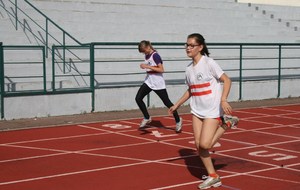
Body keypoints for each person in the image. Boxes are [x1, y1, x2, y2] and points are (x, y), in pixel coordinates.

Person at [169, 33, 239, 189]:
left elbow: (227, 80)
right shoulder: (188, 69)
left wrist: (223, 99)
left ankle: (226, 123)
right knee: (198, 146)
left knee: (205, 144)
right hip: (196, 110)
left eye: (191, 45)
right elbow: (191, 90)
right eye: (186, 45)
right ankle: (214, 176)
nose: (188, 48)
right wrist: (177, 104)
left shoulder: (209, 63)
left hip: (212, 109)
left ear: (200, 47)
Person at [135, 40, 183, 132]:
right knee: (138, 98)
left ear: (148, 47)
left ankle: (178, 120)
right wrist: (145, 67)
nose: (143, 53)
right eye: (142, 52)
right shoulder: (147, 55)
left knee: (167, 103)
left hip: (158, 83)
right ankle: (147, 117)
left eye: (144, 51)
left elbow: (161, 69)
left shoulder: (155, 56)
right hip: (149, 82)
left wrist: (148, 67)